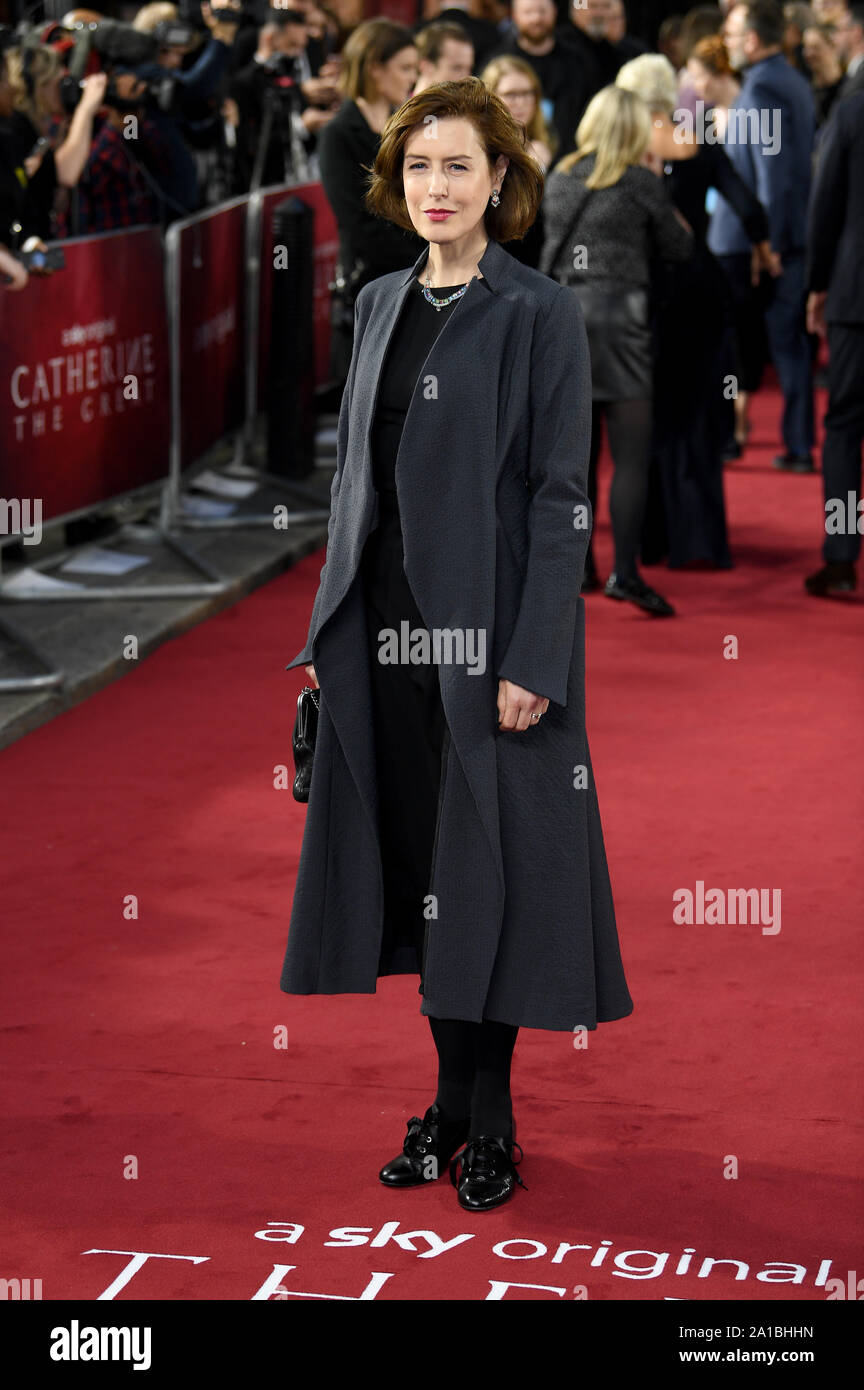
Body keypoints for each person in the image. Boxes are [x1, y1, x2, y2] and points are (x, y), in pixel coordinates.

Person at [280, 75, 633, 1210]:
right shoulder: (379, 301)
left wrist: (535, 653)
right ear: (399, 179)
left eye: (460, 168)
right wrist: (323, 644)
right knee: (424, 876)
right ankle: (443, 1102)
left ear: (500, 183)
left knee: (494, 879)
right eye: (421, 167)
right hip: (378, 640)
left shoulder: (538, 312)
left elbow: (558, 497)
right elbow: (352, 491)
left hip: (491, 646)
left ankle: (490, 1119)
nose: (438, 187)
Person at [616, 52, 774, 570]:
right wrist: (764, 249)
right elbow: (749, 207)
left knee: (653, 416)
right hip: (704, 293)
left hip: (651, 296)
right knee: (700, 416)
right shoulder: (699, 145)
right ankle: (700, 540)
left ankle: (654, 539)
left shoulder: (628, 157)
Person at [540, 84, 693, 615]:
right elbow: (681, 248)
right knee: (629, 456)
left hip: (564, 318)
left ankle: (578, 565)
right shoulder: (639, 181)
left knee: (575, 459)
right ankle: (625, 572)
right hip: (621, 320)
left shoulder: (559, 175)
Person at [708, 0, 816, 473]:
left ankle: (794, 444)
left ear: (752, 40)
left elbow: (772, 176)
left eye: (732, 36)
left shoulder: (762, 86)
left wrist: (767, 243)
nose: (728, 44)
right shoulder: (791, 78)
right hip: (786, 236)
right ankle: (797, 441)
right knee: (788, 345)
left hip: (770, 244)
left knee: (769, 344)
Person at [316, 18, 424, 384]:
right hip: (372, 289)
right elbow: (359, 223)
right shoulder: (338, 134)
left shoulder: (404, 127)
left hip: (417, 284)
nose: (412, 78)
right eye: (405, 68)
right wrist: (426, 262)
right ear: (376, 68)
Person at [804, 89, 864, 595]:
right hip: (850, 295)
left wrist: (818, 283)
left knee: (845, 424)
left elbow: (826, 203)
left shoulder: (852, 110)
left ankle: (842, 559)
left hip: (855, 295)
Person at [488, 0, 598, 162]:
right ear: (514, 15)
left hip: (571, 159)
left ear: (554, 11)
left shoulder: (579, 61)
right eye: (528, 12)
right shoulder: (497, 61)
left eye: (542, 11)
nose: (536, 18)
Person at [480, 51, 553, 266]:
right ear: (492, 97)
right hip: (496, 256)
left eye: (527, 93)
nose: (521, 102)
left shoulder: (547, 145)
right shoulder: (482, 149)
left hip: (540, 260)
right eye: (511, 94)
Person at [413, 20, 475, 92]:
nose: (467, 79)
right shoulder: (400, 101)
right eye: (457, 68)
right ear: (426, 66)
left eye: (469, 69)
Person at [803, 19, 845, 123]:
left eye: (815, 47)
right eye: (805, 47)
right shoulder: (804, 90)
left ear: (833, 47)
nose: (808, 53)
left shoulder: (849, 88)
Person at [832, 0, 864, 99]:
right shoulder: (851, 74)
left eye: (838, 30)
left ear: (856, 34)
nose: (833, 38)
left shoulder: (861, 80)